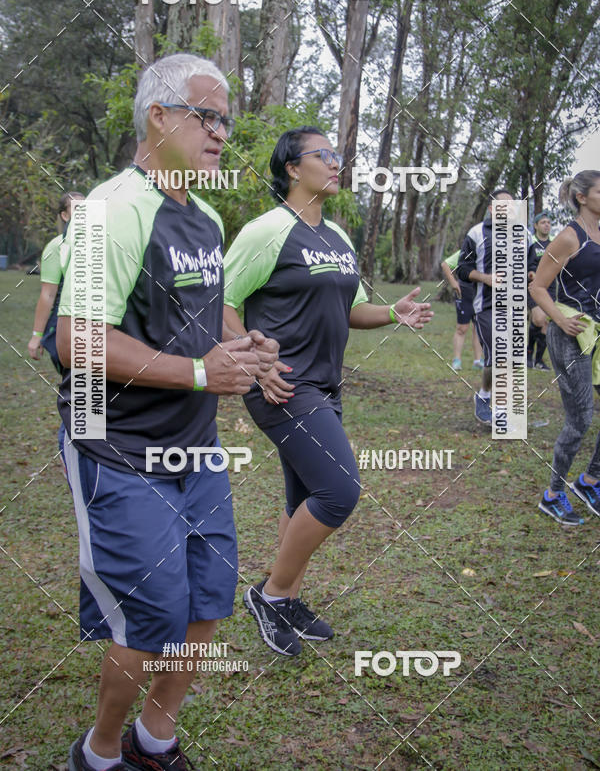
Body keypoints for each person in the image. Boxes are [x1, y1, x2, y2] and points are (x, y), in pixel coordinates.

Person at [57, 53, 275, 771]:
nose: (221, 133)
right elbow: (73, 338)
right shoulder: (110, 210)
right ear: (160, 116)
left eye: (225, 121)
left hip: (195, 447)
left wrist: (241, 350)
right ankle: (99, 751)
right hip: (116, 445)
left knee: (209, 601)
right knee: (151, 616)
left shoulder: (207, 218)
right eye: (207, 116)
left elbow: (197, 326)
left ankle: (156, 738)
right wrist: (195, 371)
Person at [222, 126, 433, 657]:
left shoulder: (337, 237)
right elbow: (217, 301)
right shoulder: (268, 231)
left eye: (338, 156)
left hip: (325, 385)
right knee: (340, 490)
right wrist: (251, 361)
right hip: (282, 384)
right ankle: (269, 596)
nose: (337, 163)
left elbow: (352, 306)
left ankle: (287, 596)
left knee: (303, 498)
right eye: (325, 155)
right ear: (293, 168)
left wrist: (392, 312)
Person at [530, 170, 600, 525]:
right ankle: (552, 494)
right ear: (582, 197)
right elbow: (538, 287)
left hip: (597, 334)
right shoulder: (568, 238)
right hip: (569, 334)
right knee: (580, 420)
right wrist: (558, 319)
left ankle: (589, 481)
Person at [456, 189, 514, 425]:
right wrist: (485, 278)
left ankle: (484, 395)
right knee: (501, 355)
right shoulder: (477, 233)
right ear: (492, 208)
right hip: (486, 306)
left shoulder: (522, 234)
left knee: (502, 357)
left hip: (515, 307)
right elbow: (462, 268)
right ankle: (500, 414)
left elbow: (535, 263)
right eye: (503, 205)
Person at [28, 191, 85, 372]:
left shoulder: (104, 243)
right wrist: (37, 335)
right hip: (64, 325)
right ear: (64, 215)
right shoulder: (56, 247)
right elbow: (48, 294)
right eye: (77, 208)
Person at [440, 248, 484, 371]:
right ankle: (457, 360)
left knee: (478, 327)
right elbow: (445, 264)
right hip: (464, 293)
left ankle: (478, 361)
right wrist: (453, 282)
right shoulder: (465, 252)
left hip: (480, 294)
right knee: (462, 328)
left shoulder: (488, 251)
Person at [526, 211, 554, 370]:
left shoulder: (554, 244)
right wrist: (531, 273)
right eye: (543, 222)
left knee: (545, 324)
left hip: (551, 288)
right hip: (534, 288)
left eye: (549, 223)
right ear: (536, 225)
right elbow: (524, 265)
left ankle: (538, 360)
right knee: (538, 319)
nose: (546, 225)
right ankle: (528, 355)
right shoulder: (531, 244)